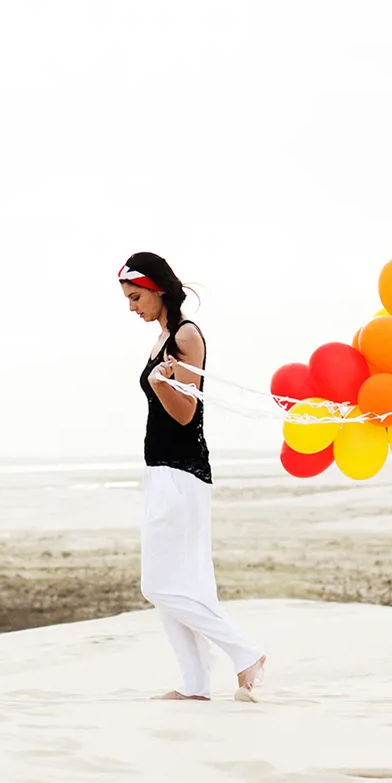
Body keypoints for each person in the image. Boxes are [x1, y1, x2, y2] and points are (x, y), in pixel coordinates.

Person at [118, 252, 267, 703]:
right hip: (162, 471)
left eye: (136, 296)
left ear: (158, 288)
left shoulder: (185, 335)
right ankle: (195, 682)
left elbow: (185, 415)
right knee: (188, 585)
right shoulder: (163, 336)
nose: (131, 307)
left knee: (158, 585)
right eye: (127, 298)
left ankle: (245, 652)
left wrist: (163, 385)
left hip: (181, 472)